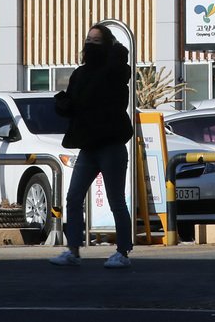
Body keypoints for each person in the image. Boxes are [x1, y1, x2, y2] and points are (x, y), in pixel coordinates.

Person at [49, 24, 135, 269]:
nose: (91, 44)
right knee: (73, 197)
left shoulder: (115, 70)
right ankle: (73, 250)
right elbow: (75, 102)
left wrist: (116, 51)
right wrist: (63, 104)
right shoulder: (81, 73)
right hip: (88, 145)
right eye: (88, 39)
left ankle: (122, 252)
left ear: (107, 45)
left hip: (111, 145)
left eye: (96, 40)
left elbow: (119, 74)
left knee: (116, 200)